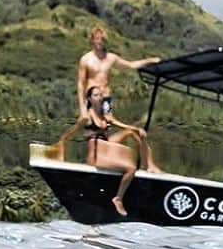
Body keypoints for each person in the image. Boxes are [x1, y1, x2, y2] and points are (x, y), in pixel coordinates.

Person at [57, 85, 160, 216]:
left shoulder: (106, 117)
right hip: (96, 155)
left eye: (100, 95)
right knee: (130, 168)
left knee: (132, 132)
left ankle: (148, 164)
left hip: (106, 146)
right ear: (89, 98)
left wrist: (137, 129)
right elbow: (68, 134)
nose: (99, 98)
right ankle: (118, 198)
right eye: (95, 95)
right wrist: (61, 146)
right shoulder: (87, 118)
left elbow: (124, 126)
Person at [77, 25, 160, 119]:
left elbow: (130, 65)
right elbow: (81, 84)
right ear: (92, 40)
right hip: (92, 98)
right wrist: (82, 108)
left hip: (105, 97)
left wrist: (151, 60)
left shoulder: (111, 58)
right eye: (97, 39)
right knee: (91, 127)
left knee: (106, 124)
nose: (99, 42)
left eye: (102, 39)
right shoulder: (85, 59)